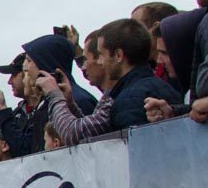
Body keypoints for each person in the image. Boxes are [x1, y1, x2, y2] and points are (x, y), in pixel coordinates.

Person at [39, 18, 176, 143]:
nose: (100, 62)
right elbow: (92, 131)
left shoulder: (129, 98)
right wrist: (69, 104)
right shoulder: (160, 86)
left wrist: (54, 95)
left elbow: (75, 134)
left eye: (102, 55)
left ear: (118, 55)